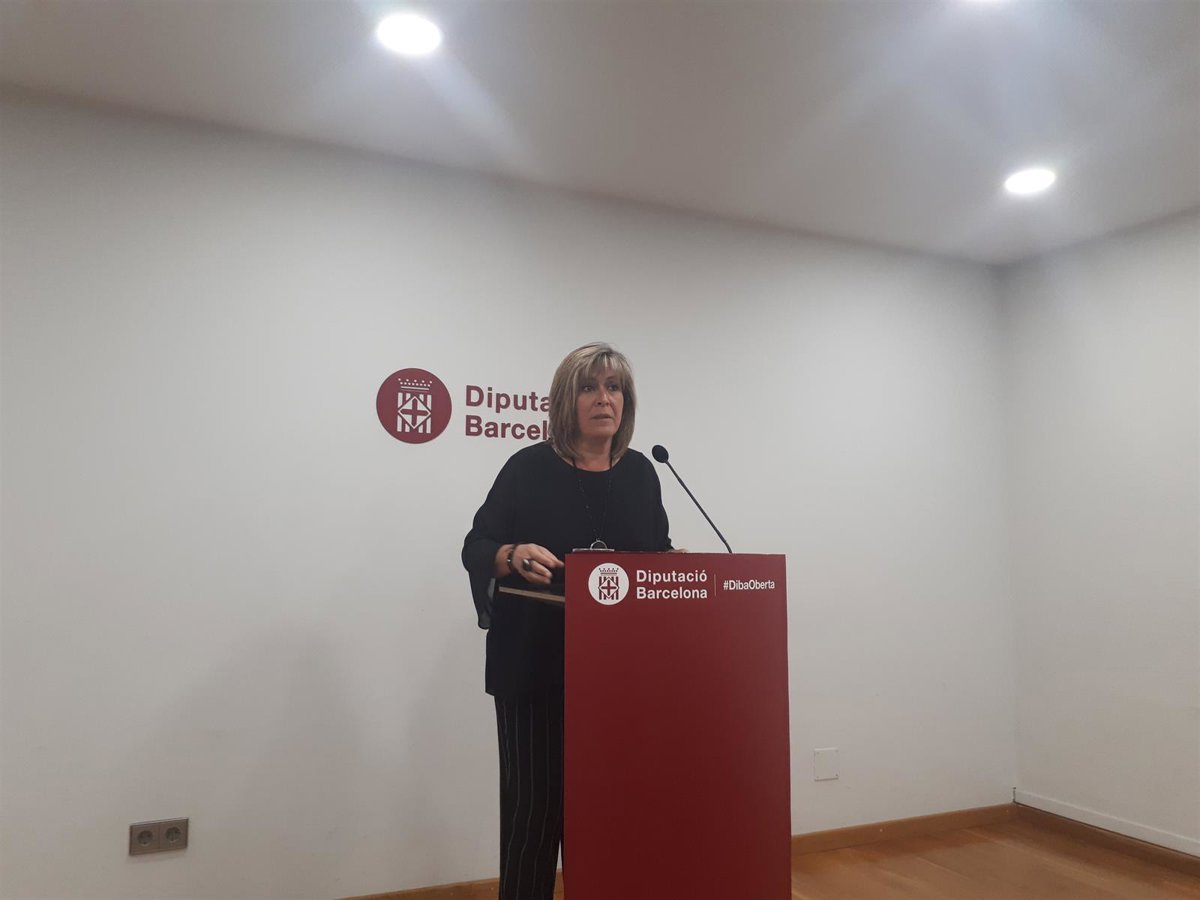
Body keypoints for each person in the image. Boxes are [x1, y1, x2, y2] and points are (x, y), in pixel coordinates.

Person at [461, 341, 674, 900]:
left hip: (617, 679)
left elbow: (658, 554)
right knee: (533, 817)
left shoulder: (641, 473)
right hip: (534, 670)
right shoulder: (527, 468)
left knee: (608, 815)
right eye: (589, 388)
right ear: (564, 400)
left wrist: (680, 572)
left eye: (614, 388)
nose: (604, 399)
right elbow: (476, 546)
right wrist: (511, 554)